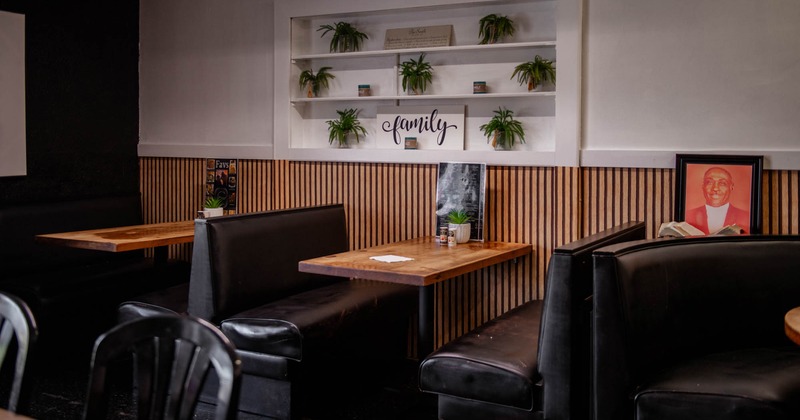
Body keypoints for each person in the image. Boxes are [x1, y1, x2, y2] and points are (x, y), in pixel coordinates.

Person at [684, 166, 750, 234]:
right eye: (709, 182)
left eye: (722, 183)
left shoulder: (745, 217)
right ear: (703, 186)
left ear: (731, 187)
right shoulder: (688, 215)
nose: (715, 188)